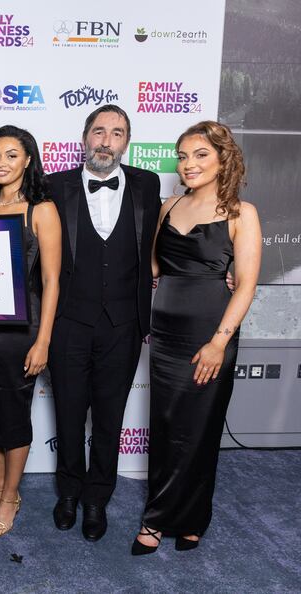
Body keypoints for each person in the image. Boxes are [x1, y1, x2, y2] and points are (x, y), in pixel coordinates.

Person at [131, 121, 261, 555]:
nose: (189, 164)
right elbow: (153, 269)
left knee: (200, 430)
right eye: (183, 156)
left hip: (210, 335)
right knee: (166, 426)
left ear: (224, 159)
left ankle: (191, 517)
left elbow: (245, 285)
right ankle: (156, 517)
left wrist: (219, 342)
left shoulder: (243, 213)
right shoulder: (169, 207)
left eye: (200, 155)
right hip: (165, 335)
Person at [47, 105, 162, 541]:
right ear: (84, 137)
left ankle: (97, 498)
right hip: (67, 322)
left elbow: (170, 238)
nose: (106, 141)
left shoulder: (147, 184)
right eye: (99, 131)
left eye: (116, 133)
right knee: (69, 415)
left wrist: (222, 267)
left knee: (110, 418)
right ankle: (69, 493)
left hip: (123, 323)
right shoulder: (55, 186)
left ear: (126, 142)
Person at [0, 125, 61, 537]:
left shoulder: (42, 210)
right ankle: (0, 489)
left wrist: (44, 341)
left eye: (11, 155)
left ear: (28, 161)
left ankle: (11, 495)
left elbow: (53, 281)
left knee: (14, 418)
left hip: (23, 332)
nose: (1, 163)